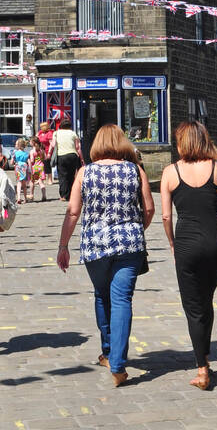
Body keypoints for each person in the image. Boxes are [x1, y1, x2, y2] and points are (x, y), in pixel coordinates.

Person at [57, 124, 154, 388]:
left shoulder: (85, 172)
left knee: (102, 294)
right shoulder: (135, 170)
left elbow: (73, 211)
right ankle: (118, 364)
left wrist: (63, 245)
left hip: (95, 245)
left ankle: (109, 351)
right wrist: (134, 227)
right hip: (129, 245)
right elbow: (149, 208)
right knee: (122, 299)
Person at [161, 120, 217, 391]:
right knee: (206, 302)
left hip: (187, 246)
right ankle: (205, 359)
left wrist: (171, 242)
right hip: (215, 246)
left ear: (183, 142)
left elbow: (167, 216)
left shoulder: (170, 173)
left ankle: (202, 369)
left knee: (194, 308)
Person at [54, 117, 83, 201]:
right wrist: (82, 158)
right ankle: (70, 194)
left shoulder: (56, 133)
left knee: (62, 176)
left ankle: (63, 195)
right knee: (71, 176)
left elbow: (53, 145)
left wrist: (49, 155)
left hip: (61, 155)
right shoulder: (73, 133)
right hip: (72, 155)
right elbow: (78, 147)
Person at [36, 119, 55, 187]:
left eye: (42, 127)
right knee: (39, 165)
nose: (41, 128)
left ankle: (50, 179)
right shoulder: (40, 133)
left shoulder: (49, 133)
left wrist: (49, 153)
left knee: (47, 165)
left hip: (46, 151)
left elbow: (51, 143)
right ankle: (40, 179)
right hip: (40, 151)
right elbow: (36, 138)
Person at [13, 137, 31, 203]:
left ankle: (18, 197)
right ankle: (25, 198)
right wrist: (30, 171)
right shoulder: (26, 154)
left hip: (18, 167)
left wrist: (14, 163)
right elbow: (29, 162)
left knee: (18, 182)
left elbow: (12, 162)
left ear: (18, 146)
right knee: (24, 184)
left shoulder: (15, 153)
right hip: (24, 168)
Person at [29, 136, 47, 202]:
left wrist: (29, 161)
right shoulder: (42, 150)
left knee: (32, 182)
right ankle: (44, 195)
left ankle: (31, 195)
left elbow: (32, 160)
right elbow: (45, 158)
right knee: (41, 182)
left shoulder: (32, 151)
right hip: (41, 167)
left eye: (30, 141)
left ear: (33, 143)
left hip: (35, 168)